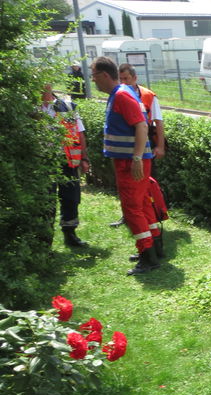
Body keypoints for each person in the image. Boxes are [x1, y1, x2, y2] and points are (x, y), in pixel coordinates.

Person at [90, 56, 160, 275]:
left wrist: (137, 158)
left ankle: (147, 257)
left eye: (94, 76)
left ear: (104, 75)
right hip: (130, 161)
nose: (93, 80)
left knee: (132, 208)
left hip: (131, 163)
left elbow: (141, 126)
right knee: (142, 204)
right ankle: (154, 249)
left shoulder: (121, 95)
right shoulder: (120, 93)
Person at [109, 63, 167, 228]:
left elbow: (158, 122)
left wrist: (160, 146)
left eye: (126, 78)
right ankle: (129, 215)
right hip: (126, 149)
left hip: (145, 147)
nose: (123, 82)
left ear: (135, 78)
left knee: (145, 184)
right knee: (128, 186)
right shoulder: (118, 95)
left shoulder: (148, 95)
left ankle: (152, 217)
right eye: (120, 79)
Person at [40, 84, 90, 247]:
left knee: (71, 198)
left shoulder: (67, 106)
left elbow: (79, 132)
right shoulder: (30, 108)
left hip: (67, 159)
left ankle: (70, 233)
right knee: (45, 199)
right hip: (42, 160)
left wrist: (84, 158)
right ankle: (44, 239)